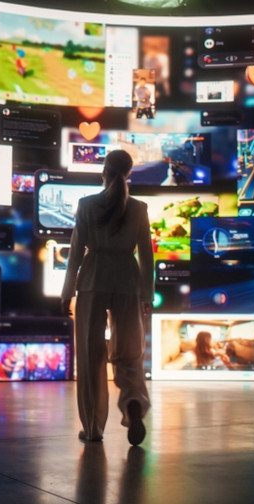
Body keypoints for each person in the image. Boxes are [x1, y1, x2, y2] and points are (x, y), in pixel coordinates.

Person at [61, 149, 154, 446]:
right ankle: (133, 402)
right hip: (128, 281)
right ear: (129, 174)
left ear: (104, 169)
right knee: (128, 355)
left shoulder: (86, 205)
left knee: (90, 357)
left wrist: (67, 292)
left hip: (92, 280)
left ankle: (92, 429)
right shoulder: (139, 208)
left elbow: (76, 253)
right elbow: (148, 256)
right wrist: (147, 294)